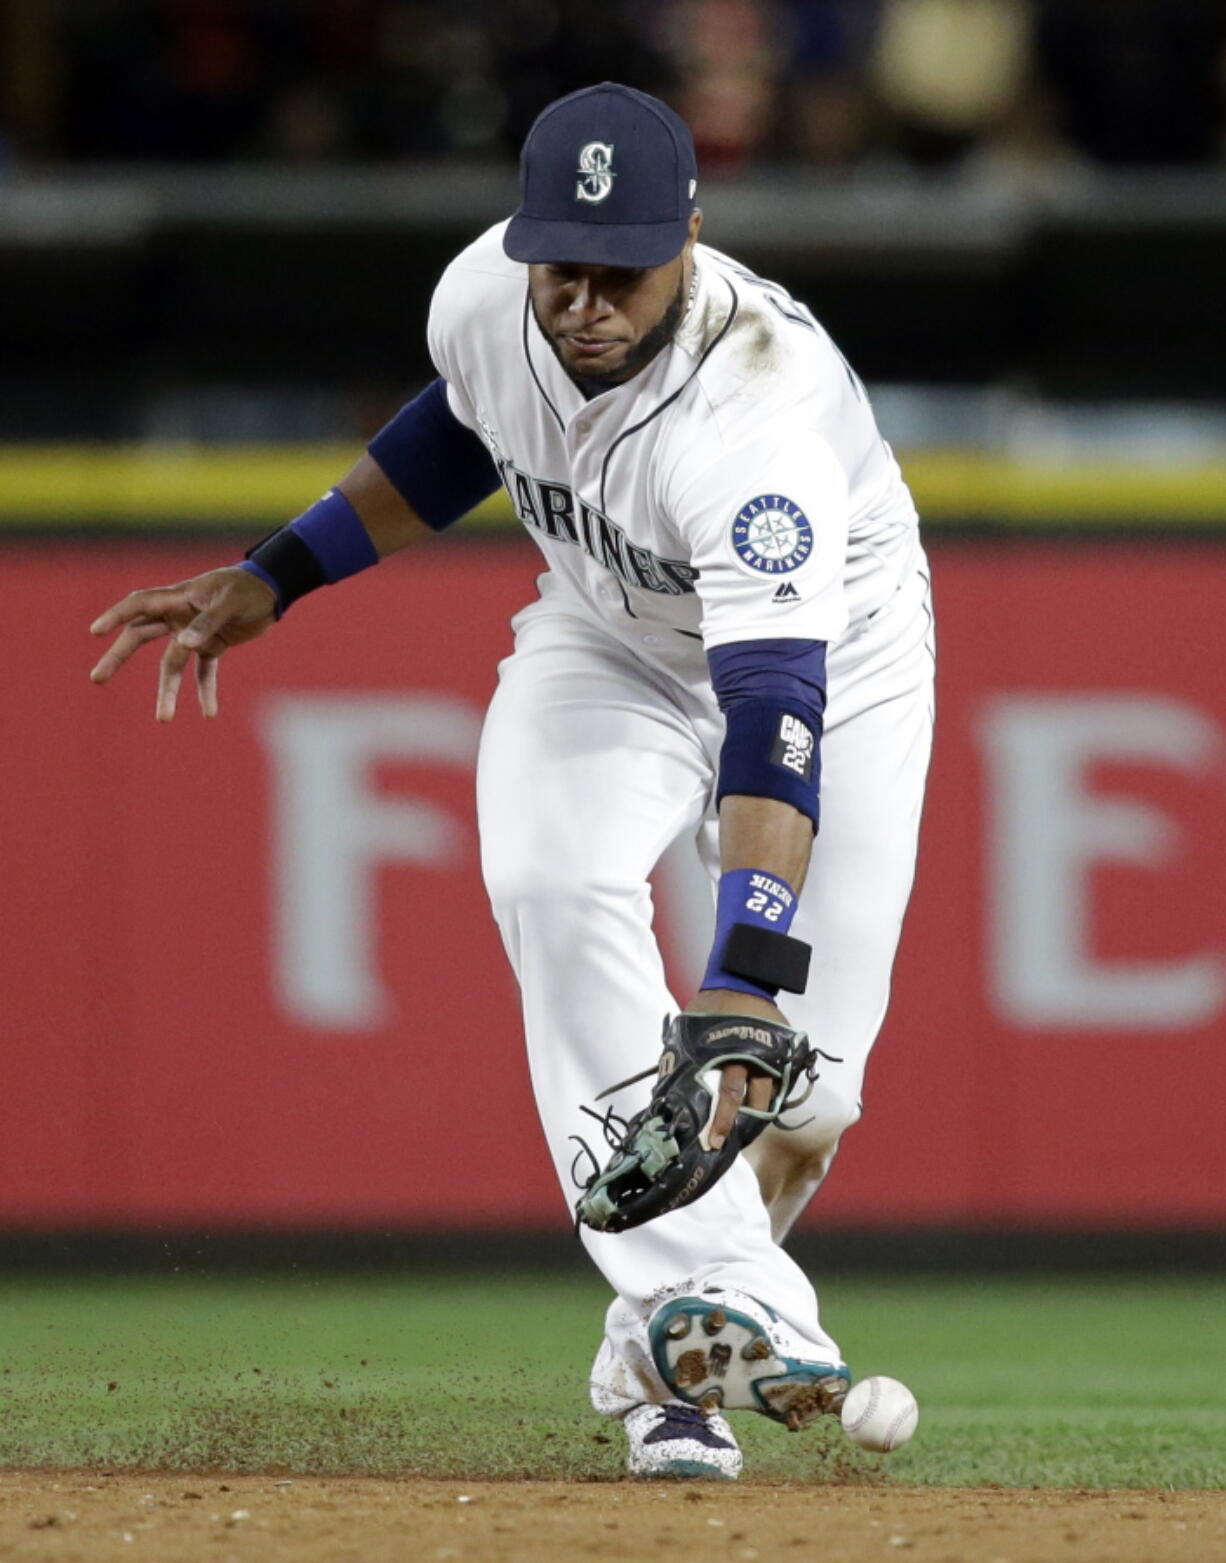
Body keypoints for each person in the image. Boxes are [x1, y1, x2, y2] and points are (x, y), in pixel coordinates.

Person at [89, 82, 934, 1481]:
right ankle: (713, 1339)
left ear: (693, 236)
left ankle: (654, 1345)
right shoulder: (487, 298)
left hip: (831, 655)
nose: (585, 300)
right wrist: (277, 571)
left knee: (805, 1089)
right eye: (562, 266)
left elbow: (774, 713)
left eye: (622, 269)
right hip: (604, 631)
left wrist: (741, 972)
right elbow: (457, 434)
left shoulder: (757, 423)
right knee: (554, 874)